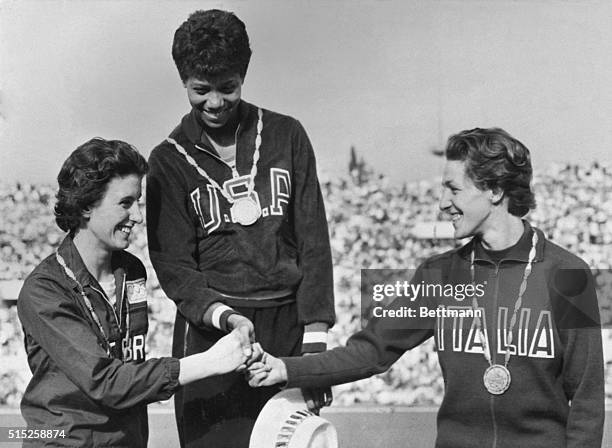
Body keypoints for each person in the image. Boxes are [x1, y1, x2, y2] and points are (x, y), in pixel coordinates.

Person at [248, 128, 605, 448]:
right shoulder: (440, 274)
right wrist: (287, 368)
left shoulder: (570, 274)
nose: (442, 203)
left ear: (495, 190)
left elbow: (587, 402)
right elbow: (372, 351)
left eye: (453, 189)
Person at [146, 9, 335, 447]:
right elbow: (175, 267)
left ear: (243, 77)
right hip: (213, 330)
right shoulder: (168, 160)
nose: (214, 102)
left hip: (286, 326)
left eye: (227, 87)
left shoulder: (287, 135)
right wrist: (224, 317)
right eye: (201, 90)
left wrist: (315, 344)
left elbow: (314, 241)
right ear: (184, 83)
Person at [17, 138, 251, 447]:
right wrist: (209, 362)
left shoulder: (132, 271)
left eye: (138, 202)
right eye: (126, 203)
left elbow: (130, 365)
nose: (139, 216)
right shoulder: (44, 291)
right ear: (86, 205)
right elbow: (106, 382)